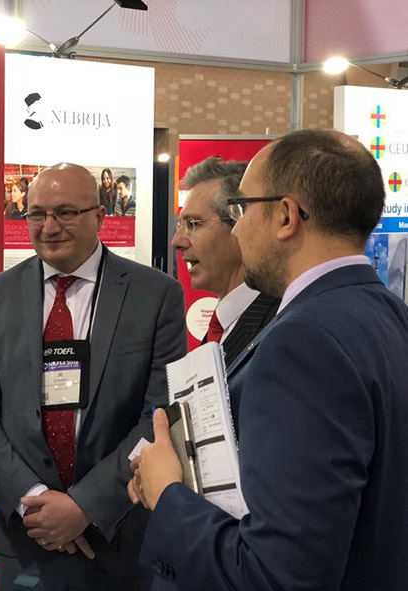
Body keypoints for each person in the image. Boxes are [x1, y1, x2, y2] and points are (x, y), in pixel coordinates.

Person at [132, 129, 408, 590]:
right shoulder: (389, 313)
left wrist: (167, 494)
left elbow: (275, 574)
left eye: (242, 209)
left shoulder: (302, 342)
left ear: (285, 216)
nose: (238, 229)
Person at [0, 163, 187, 591]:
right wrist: (33, 500)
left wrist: (85, 505)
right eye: (37, 214)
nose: (49, 227)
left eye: (65, 212)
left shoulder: (156, 295)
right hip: (27, 541)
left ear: (100, 216)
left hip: (118, 542)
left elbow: (159, 417)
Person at [173, 157, 279, 363]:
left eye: (193, 224)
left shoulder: (278, 327)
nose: (177, 242)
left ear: (241, 225)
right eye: (180, 225)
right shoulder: (222, 325)